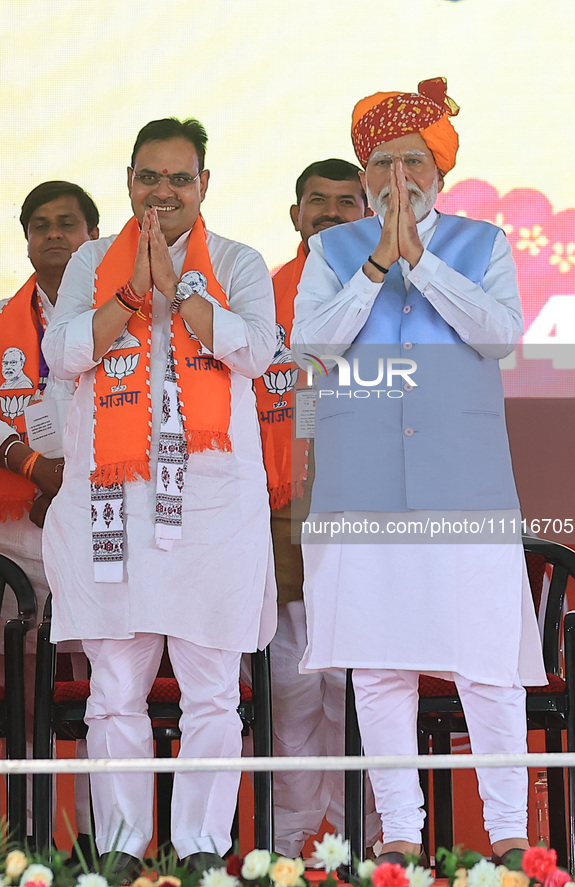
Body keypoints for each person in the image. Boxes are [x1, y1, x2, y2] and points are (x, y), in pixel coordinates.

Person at [291, 79, 547, 868]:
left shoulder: (481, 243)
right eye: (380, 161)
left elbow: (500, 336)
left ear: (438, 167)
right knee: (379, 663)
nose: (395, 175)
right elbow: (315, 344)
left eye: (411, 158)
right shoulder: (333, 252)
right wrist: (376, 265)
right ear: (363, 175)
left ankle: (509, 834)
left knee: (487, 666)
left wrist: (422, 265)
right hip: (362, 489)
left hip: (461, 487)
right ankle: (397, 829)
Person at [42, 118, 276, 874]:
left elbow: (255, 351)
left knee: (212, 689)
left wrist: (180, 294)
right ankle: (118, 846)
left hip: (210, 507)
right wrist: (132, 296)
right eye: (150, 177)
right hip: (114, 501)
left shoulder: (238, 262)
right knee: (113, 688)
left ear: (203, 184)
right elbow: (65, 350)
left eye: (179, 178)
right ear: (130, 181)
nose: (163, 192)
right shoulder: (89, 261)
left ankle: (204, 848)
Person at [254, 159, 380, 857]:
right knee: (290, 691)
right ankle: (289, 845)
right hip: (277, 523)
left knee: (355, 689)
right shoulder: (256, 295)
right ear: (294, 213)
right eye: (316, 202)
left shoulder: (391, 294)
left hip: (362, 521)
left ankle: (364, 843)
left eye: (344, 203)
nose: (329, 214)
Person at [0, 180, 100, 854]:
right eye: (41, 225)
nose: (54, 235)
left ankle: (101, 841)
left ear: (95, 235)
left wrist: (76, 483)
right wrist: (35, 470)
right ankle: (24, 842)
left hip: (104, 523)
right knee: (22, 691)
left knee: (106, 691)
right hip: (15, 531)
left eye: (68, 223)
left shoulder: (129, 314)